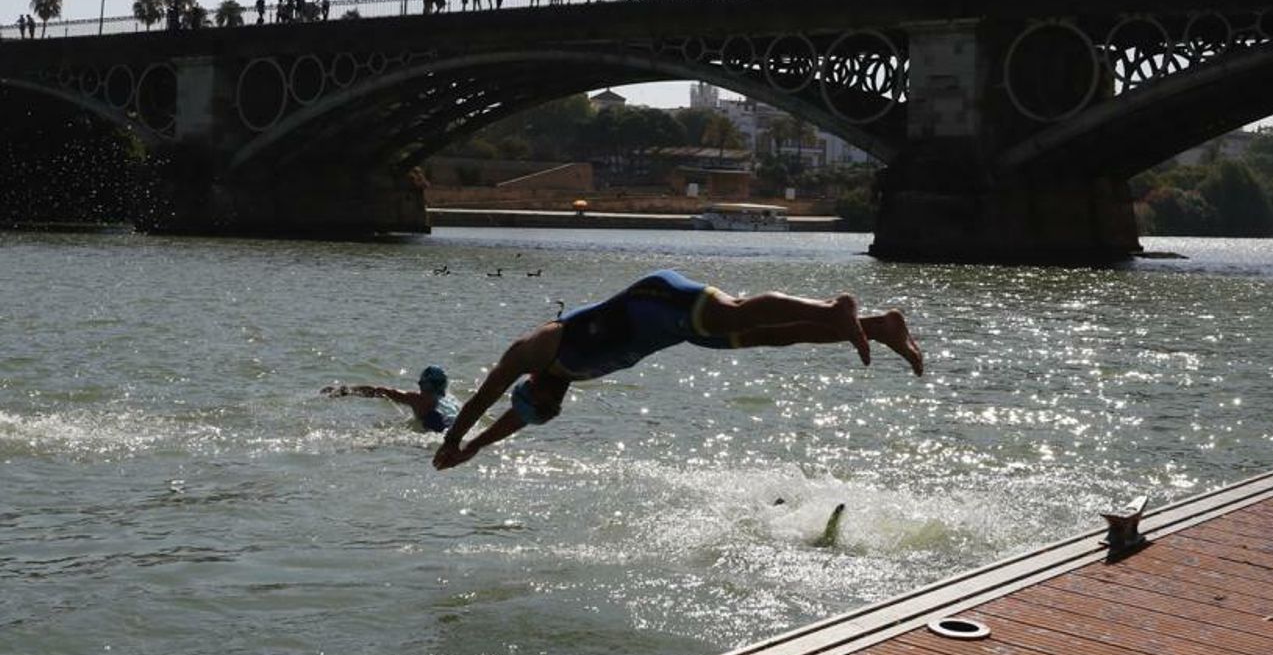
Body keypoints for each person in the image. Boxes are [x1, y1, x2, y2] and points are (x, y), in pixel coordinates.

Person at [432, 270, 923, 470]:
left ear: (531, 385)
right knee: (769, 334)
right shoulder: (562, 379)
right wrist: (473, 449)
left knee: (737, 313)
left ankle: (836, 307)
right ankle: (879, 326)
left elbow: (485, 396)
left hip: (658, 298)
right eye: (549, 414)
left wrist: (453, 438)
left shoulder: (536, 349)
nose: (552, 410)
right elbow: (513, 420)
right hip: (676, 330)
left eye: (542, 406)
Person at [324, 365, 460, 433]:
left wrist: (346, 390)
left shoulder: (417, 399)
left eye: (421, 383)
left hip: (437, 428)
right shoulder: (451, 399)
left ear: (423, 384)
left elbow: (380, 391)